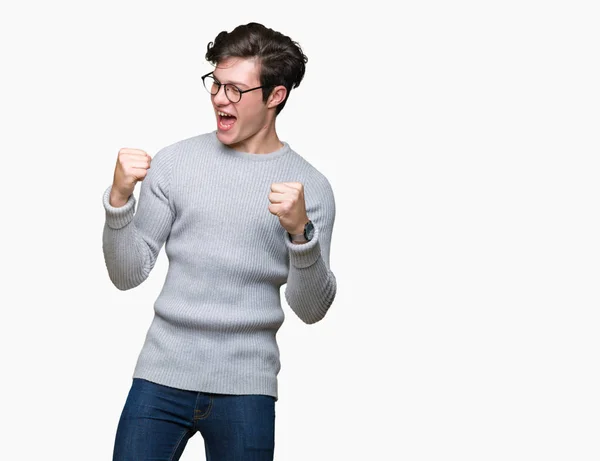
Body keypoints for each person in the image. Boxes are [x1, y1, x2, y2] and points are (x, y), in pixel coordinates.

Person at [102, 22, 337, 461]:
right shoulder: (174, 163)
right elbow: (127, 274)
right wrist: (119, 201)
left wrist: (299, 234)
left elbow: (312, 309)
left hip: (246, 389)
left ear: (275, 96)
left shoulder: (310, 186)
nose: (219, 98)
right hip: (160, 378)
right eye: (216, 83)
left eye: (235, 89)